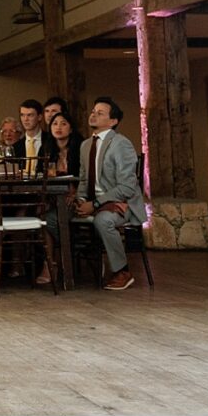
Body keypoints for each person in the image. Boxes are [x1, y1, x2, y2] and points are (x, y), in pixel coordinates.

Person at [73, 97, 146, 291]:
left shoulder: (121, 144)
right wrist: (81, 200)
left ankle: (122, 271)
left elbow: (127, 187)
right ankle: (75, 267)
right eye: (93, 111)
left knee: (103, 220)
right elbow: (83, 179)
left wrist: (95, 204)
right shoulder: (85, 145)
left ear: (113, 121)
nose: (93, 114)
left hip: (122, 202)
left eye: (100, 113)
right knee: (57, 217)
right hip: (92, 201)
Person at [37, 111, 84, 284]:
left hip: (75, 197)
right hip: (52, 197)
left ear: (71, 128)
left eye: (63, 123)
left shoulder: (80, 147)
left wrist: (76, 194)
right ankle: (55, 262)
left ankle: (56, 262)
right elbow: (37, 174)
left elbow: (86, 176)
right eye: (55, 123)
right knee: (43, 217)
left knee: (50, 220)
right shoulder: (46, 148)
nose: (58, 127)